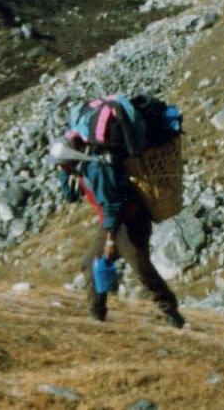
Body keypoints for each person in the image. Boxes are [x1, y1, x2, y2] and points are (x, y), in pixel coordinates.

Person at [50, 137, 185, 328]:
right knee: (90, 264)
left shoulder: (97, 169)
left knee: (140, 267)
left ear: (72, 159)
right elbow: (70, 196)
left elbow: (113, 206)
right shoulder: (79, 169)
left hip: (131, 220)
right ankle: (96, 314)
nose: (61, 167)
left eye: (62, 164)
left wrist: (110, 242)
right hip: (111, 222)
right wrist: (63, 173)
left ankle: (171, 312)